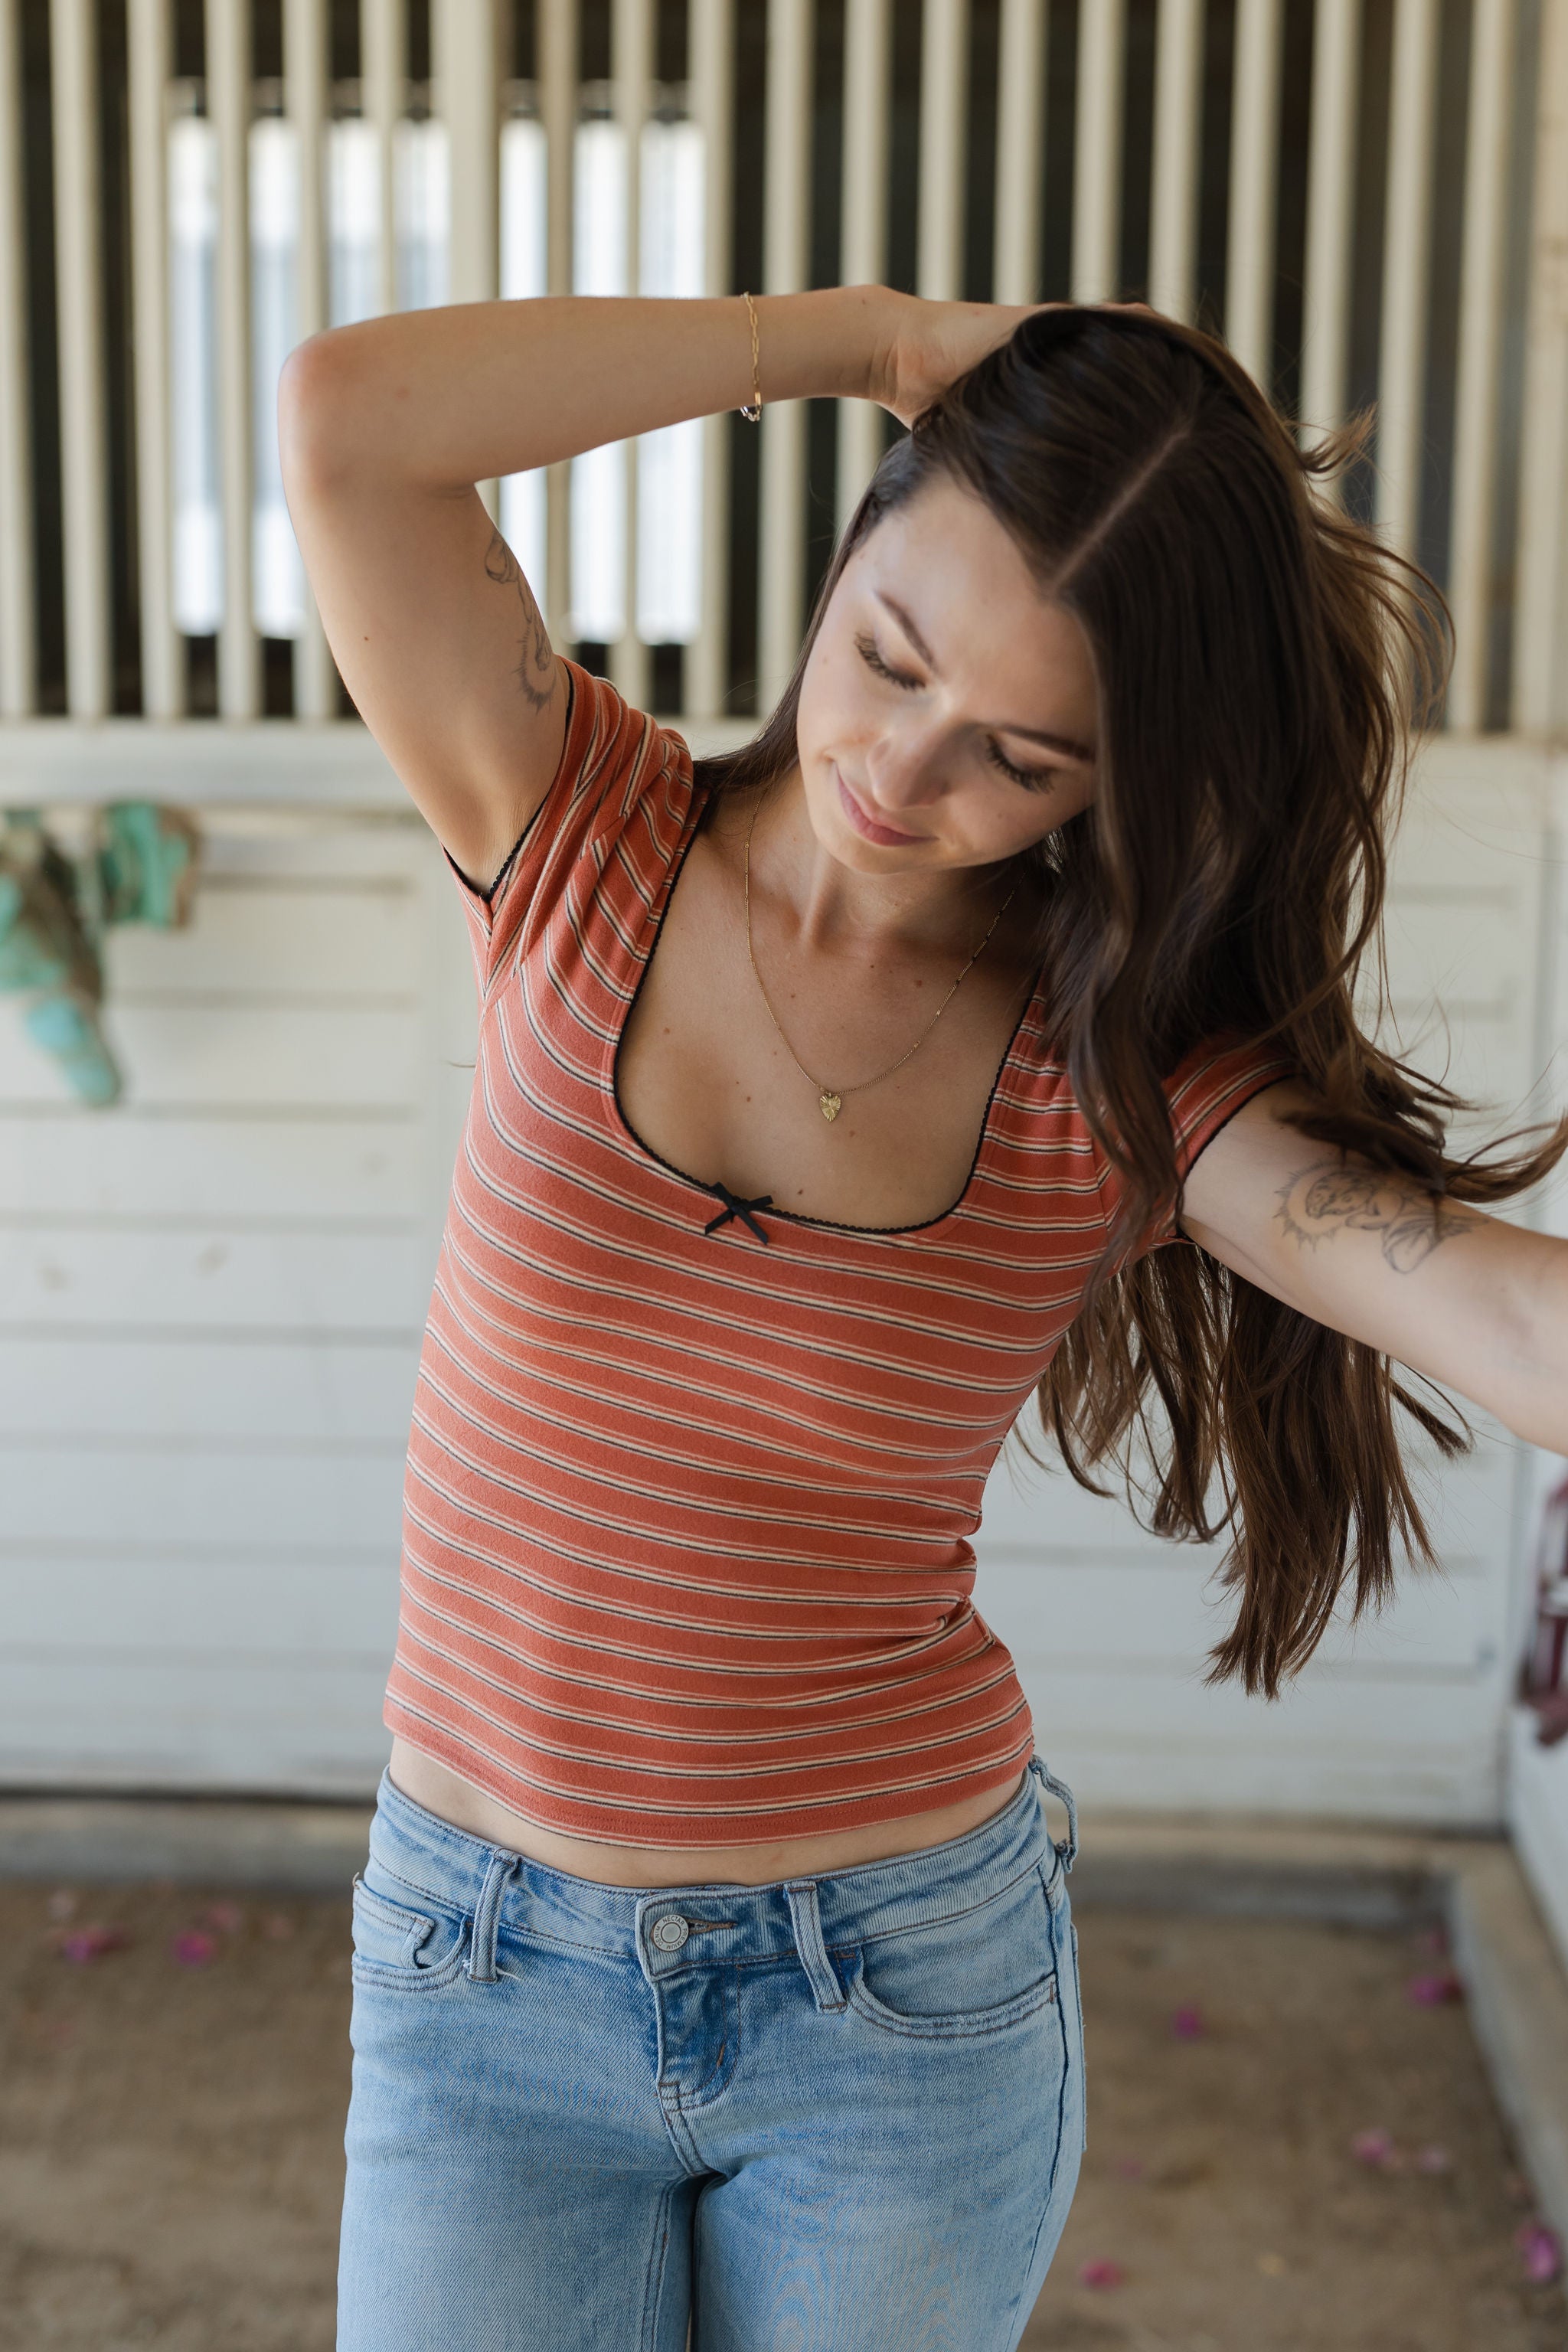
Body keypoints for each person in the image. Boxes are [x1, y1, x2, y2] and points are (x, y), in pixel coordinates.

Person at [279, 286, 1568, 2351]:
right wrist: (861, 335)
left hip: (887, 1997)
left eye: (1018, 758)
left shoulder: (1108, 1077)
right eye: (886, 653)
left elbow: (1490, 1316)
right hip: (479, 1969)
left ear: (1109, 787)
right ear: (851, 544)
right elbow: (350, 421)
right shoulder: (577, 836)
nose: (899, 764)